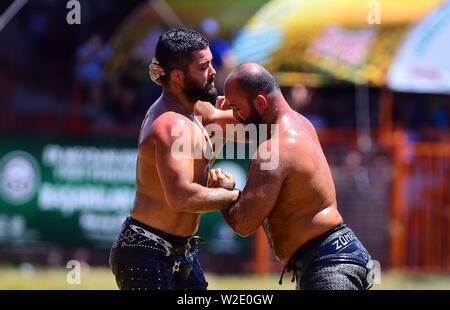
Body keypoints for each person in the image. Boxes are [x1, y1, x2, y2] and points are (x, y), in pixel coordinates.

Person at [208, 63, 375, 290]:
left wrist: (224, 191)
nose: (234, 115)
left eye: (236, 108)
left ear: (260, 103)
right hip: (339, 256)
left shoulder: (273, 150)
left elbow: (243, 223)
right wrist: (222, 112)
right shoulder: (299, 124)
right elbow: (231, 122)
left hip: (330, 267)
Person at [109, 28, 240, 290]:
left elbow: (243, 123)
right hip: (144, 252)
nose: (214, 71)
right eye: (204, 66)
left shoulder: (196, 108)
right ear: (179, 77)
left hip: (181, 251)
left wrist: (282, 119)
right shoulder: (169, 125)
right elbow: (181, 197)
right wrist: (236, 197)